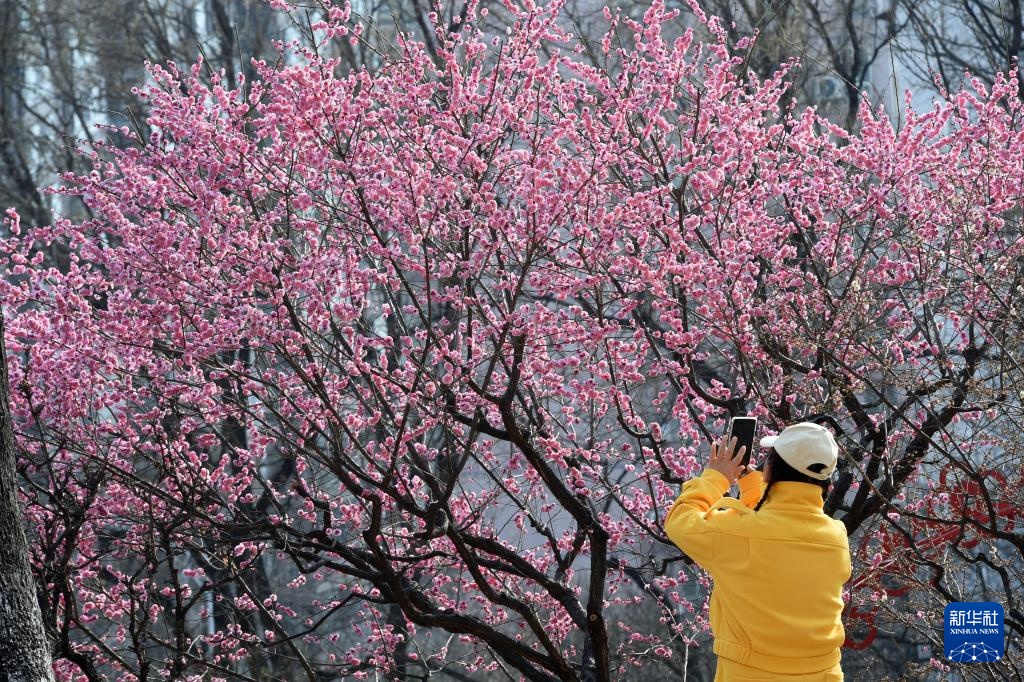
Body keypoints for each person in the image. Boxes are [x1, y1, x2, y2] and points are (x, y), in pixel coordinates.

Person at [663, 422, 851, 681]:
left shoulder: (736, 532)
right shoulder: (836, 537)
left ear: (771, 469)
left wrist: (716, 477)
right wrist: (753, 486)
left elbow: (679, 521)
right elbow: (778, 530)